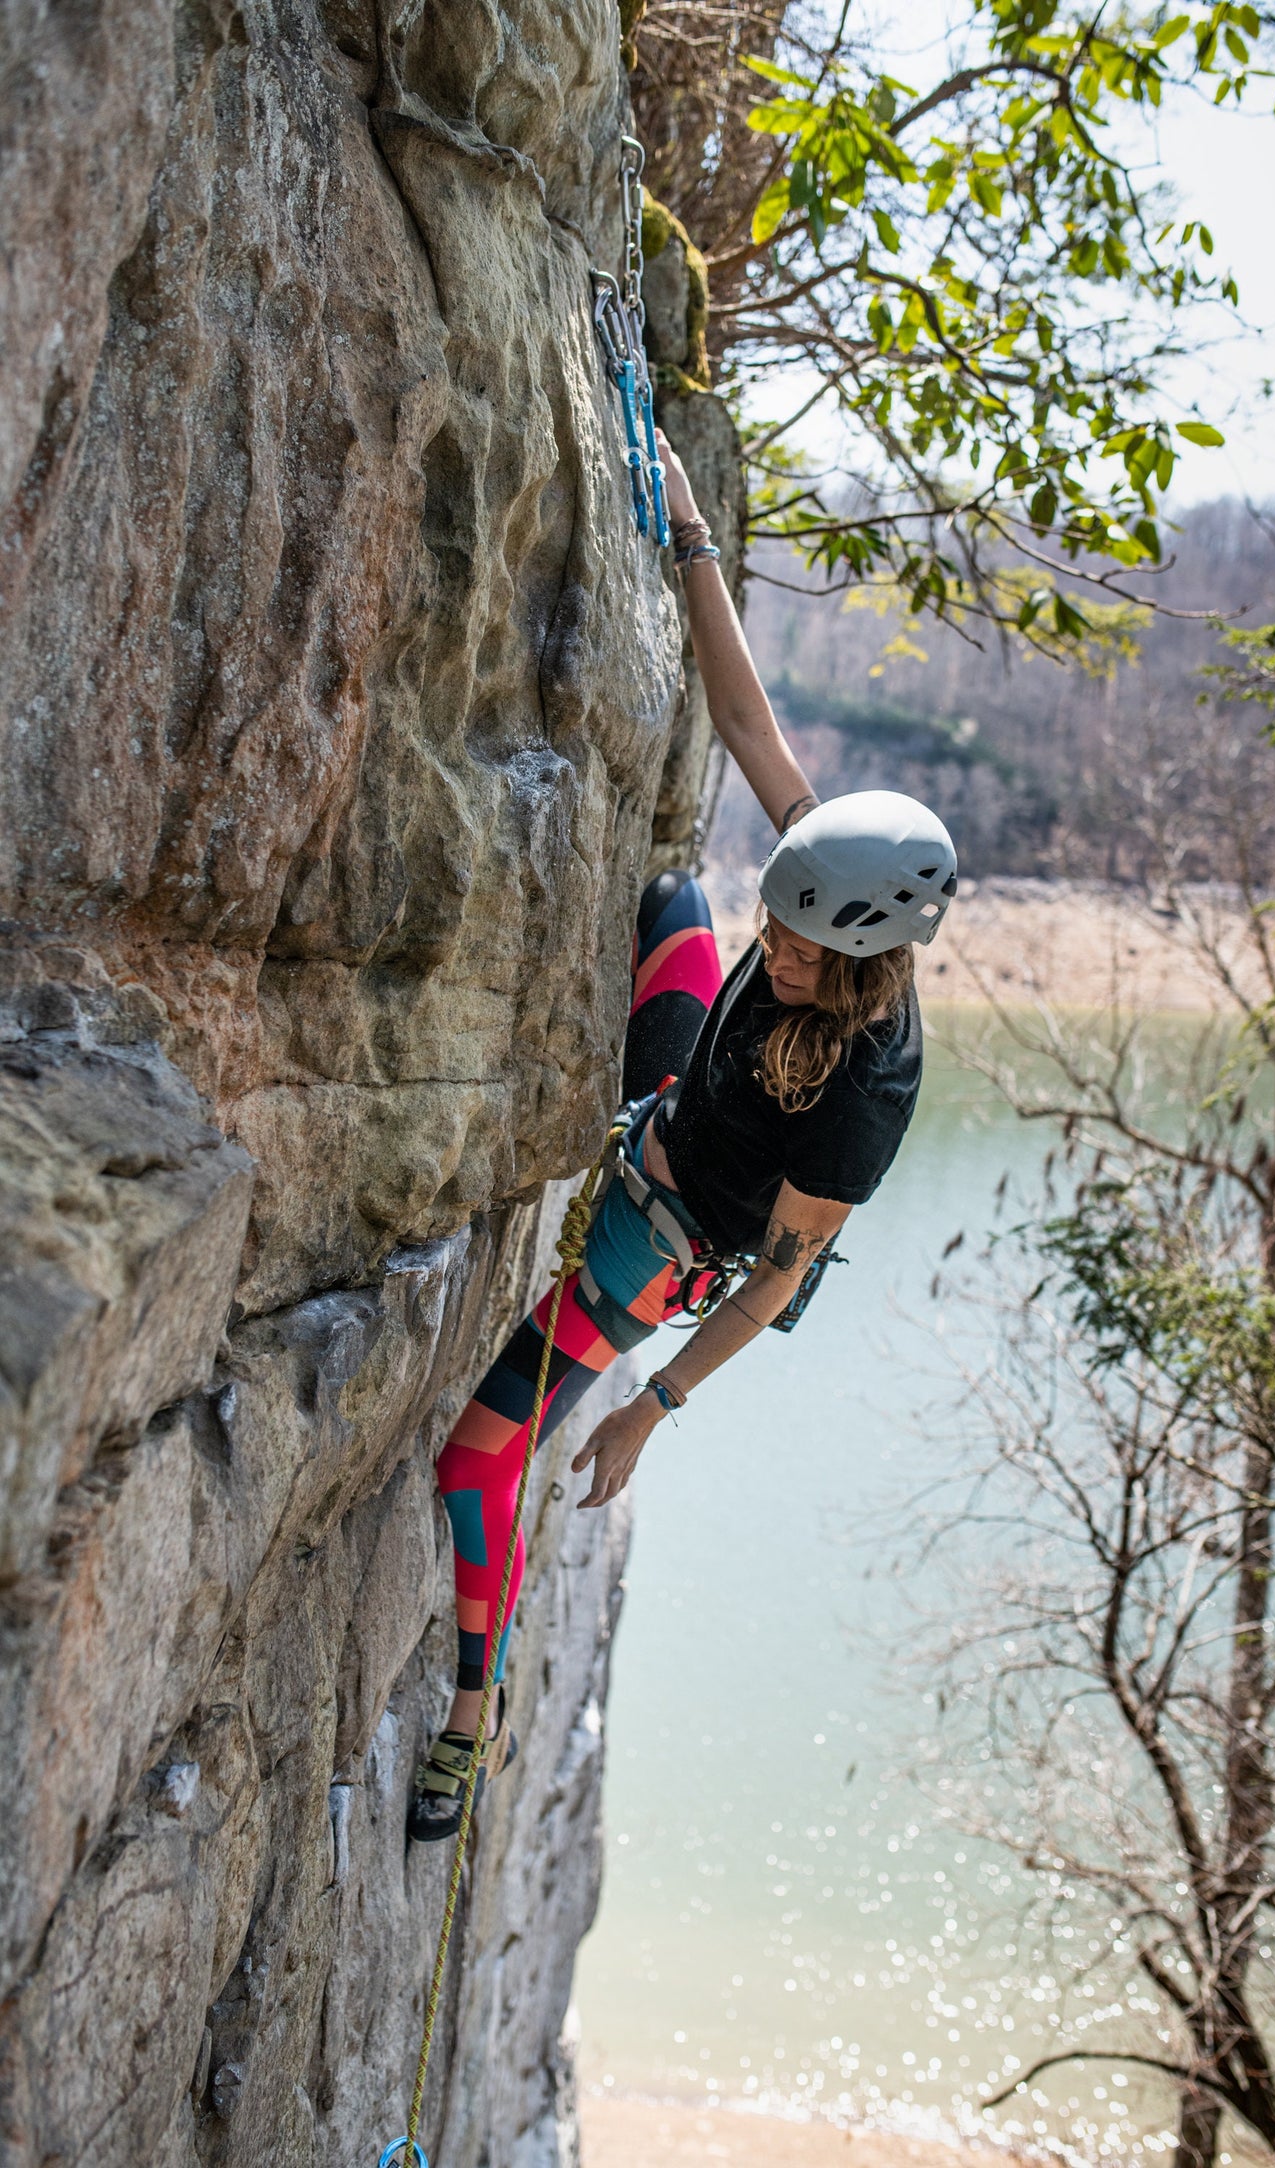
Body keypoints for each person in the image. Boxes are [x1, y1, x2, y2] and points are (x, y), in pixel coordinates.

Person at [406, 433, 958, 1841]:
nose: (766, 944)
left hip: (660, 1248)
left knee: (476, 1460)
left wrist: (649, 1411)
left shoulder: (865, 1094)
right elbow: (750, 726)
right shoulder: (825, 887)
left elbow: (773, 1279)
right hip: (670, 1105)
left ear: (860, 963)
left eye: (791, 947)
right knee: (665, 898)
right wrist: (696, 535)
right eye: (769, 921)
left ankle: (471, 1711)